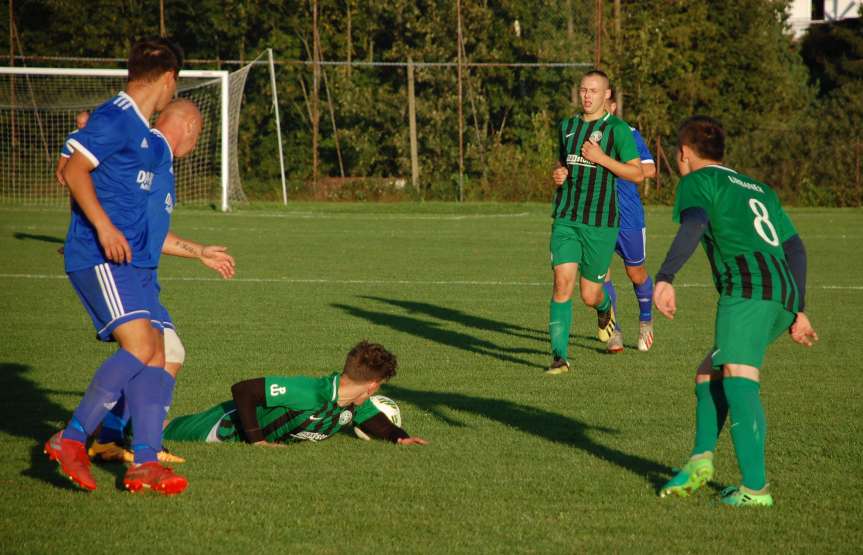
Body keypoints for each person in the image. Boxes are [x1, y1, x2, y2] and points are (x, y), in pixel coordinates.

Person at [44, 37, 189, 495]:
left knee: (159, 353)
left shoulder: (141, 131)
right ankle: (71, 438)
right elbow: (71, 170)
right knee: (143, 344)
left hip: (132, 264)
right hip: (101, 254)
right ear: (169, 79)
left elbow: (80, 164)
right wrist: (103, 227)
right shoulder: (118, 116)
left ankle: (144, 461)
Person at [653, 115, 817, 507]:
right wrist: (798, 309)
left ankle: (755, 489)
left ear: (684, 155)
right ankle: (700, 461)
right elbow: (795, 247)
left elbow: (694, 223)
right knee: (708, 372)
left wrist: (666, 276)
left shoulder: (698, 181)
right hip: (780, 293)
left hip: (747, 289)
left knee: (739, 377)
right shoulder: (759, 188)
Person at [84, 99, 236, 465]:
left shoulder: (161, 162)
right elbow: (100, 185)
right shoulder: (147, 152)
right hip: (127, 274)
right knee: (155, 353)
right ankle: (90, 435)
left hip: (143, 276)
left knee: (165, 353)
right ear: (187, 127)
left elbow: (150, 234)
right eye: (197, 136)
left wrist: (199, 251)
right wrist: (91, 235)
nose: (196, 145)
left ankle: (112, 437)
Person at [547, 69, 644, 373]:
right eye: (583, 90)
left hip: (601, 224)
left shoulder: (617, 131)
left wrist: (601, 158)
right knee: (562, 282)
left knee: (590, 294)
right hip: (567, 218)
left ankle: (605, 309)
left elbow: (637, 173)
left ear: (607, 96)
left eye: (594, 90)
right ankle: (559, 357)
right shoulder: (568, 126)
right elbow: (563, 164)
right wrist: (559, 174)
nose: (587, 96)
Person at [162, 341, 429, 447]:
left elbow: (373, 420)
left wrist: (399, 437)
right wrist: (258, 441)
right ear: (372, 385)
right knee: (154, 431)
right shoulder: (310, 392)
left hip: (233, 435)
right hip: (221, 429)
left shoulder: (353, 403)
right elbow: (244, 390)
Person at [597, 91, 657, 353]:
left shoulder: (629, 133)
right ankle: (614, 331)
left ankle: (645, 322)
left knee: (636, 272)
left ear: (613, 106)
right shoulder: (587, 134)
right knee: (600, 275)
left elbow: (650, 169)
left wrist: (613, 164)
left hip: (628, 215)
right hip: (597, 215)